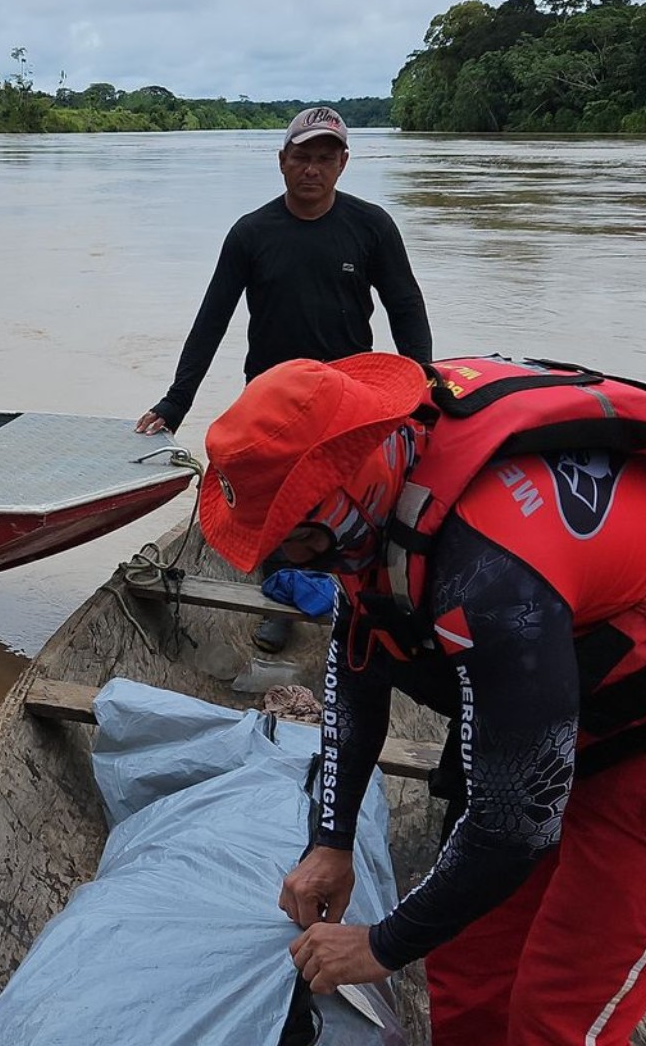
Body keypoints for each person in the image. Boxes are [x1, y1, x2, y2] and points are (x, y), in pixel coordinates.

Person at [196, 351, 646, 1046]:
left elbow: (515, 827)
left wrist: (379, 945)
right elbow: (361, 659)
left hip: (634, 745)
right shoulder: (380, 493)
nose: (292, 566)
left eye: (301, 543)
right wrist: (332, 840)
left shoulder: (492, 574)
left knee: (557, 1013)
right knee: (468, 962)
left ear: (350, 495)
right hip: (548, 697)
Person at [136, 105, 433, 650]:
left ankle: (356, 600)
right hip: (271, 404)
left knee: (353, 500)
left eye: (325, 158)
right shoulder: (252, 233)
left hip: (348, 395)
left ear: (343, 163)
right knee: (272, 506)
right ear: (282, 161)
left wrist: (425, 385)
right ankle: (278, 601)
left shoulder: (371, 227)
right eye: (302, 157)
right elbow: (212, 319)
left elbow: (405, 308)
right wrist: (176, 402)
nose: (312, 169)